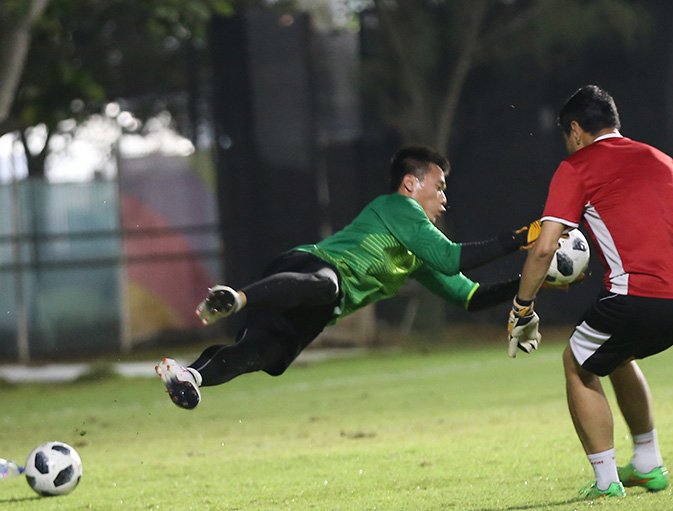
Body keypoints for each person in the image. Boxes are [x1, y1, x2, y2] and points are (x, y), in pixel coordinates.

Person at [156, 145, 541, 409]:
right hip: (307, 269)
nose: (444, 198)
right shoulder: (398, 206)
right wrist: (521, 239)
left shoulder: (416, 256)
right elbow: (453, 257)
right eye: (439, 187)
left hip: (315, 308)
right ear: (411, 184)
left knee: (262, 356)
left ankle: (187, 375)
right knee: (329, 285)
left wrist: (535, 281)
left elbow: (469, 297)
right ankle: (236, 298)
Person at [506, 85, 673, 499]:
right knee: (616, 356)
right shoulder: (665, 161)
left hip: (638, 298)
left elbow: (545, 247)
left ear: (577, 131)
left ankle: (606, 482)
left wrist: (522, 308)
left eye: (568, 136)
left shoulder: (578, 166)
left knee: (577, 363)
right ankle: (647, 464)